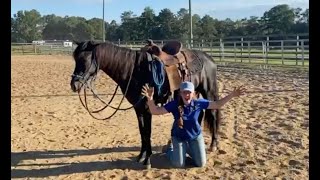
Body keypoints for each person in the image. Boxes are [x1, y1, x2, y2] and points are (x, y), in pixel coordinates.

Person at [141, 81, 246, 168]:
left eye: (189, 92)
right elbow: (155, 111)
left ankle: (184, 149)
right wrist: (150, 100)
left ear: (193, 93)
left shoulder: (198, 103)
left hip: (195, 136)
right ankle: (169, 149)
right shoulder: (174, 104)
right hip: (179, 137)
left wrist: (232, 95)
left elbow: (217, 104)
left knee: (201, 164)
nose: (187, 95)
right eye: (184, 92)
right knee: (179, 164)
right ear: (180, 93)